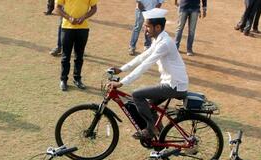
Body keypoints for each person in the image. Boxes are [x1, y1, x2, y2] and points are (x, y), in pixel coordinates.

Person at [108, 8, 189, 140]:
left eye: (147, 26)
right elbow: (143, 56)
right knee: (150, 106)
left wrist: (123, 82)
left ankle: (150, 129)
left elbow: (145, 65)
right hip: (171, 82)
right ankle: (161, 136)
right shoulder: (159, 39)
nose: (145, 30)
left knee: (137, 95)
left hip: (174, 85)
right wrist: (122, 69)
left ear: (157, 27)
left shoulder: (165, 43)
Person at [56, 0, 98, 91]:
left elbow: (94, 8)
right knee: (65, 56)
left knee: (79, 56)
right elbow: (57, 8)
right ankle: (63, 80)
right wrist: (68, 17)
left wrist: (84, 17)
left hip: (83, 28)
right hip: (67, 28)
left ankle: (77, 79)